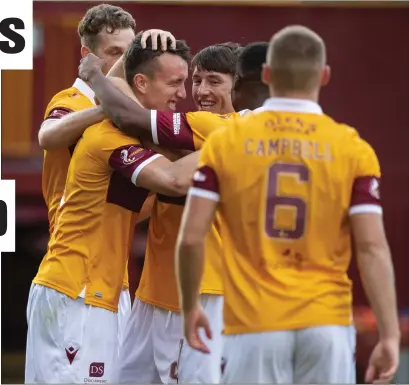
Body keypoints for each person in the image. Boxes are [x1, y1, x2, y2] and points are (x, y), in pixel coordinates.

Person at [176, 25, 401, 384]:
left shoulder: (227, 142)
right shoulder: (352, 148)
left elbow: (190, 238)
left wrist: (190, 308)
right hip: (326, 322)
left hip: (253, 324)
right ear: (324, 75)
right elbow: (372, 247)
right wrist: (389, 335)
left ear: (265, 74)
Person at [25, 33, 195, 384]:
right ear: (142, 84)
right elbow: (174, 181)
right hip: (77, 291)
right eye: (175, 83)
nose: (183, 94)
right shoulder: (108, 135)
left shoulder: (128, 133)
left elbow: (131, 212)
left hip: (104, 290)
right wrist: (235, 142)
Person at [78, 42, 242, 384]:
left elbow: (127, 115)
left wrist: (94, 74)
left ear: (236, 86)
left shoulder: (223, 127)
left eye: (214, 81)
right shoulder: (199, 128)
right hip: (154, 291)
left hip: (196, 293)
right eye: (197, 80)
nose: (201, 90)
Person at [232, 41, 269, 112]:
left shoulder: (212, 122)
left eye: (214, 82)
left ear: (236, 83)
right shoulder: (294, 118)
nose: (204, 91)